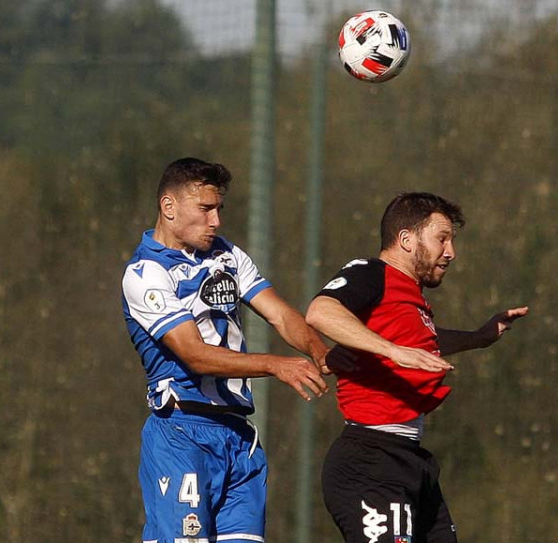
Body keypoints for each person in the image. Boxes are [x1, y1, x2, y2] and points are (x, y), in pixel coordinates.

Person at [121, 157, 329, 543]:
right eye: (205, 209)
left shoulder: (227, 256)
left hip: (238, 440)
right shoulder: (145, 273)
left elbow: (280, 315)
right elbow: (194, 354)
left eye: (219, 209)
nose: (216, 221)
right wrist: (275, 366)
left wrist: (321, 351)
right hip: (182, 434)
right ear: (169, 207)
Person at [306, 192, 528, 543]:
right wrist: (392, 350)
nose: (451, 251)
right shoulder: (370, 273)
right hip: (370, 463)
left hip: (411, 461)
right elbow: (320, 312)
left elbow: (425, 344)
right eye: (442, 238)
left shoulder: (412, 297)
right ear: (407, 240)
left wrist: (479, 337)